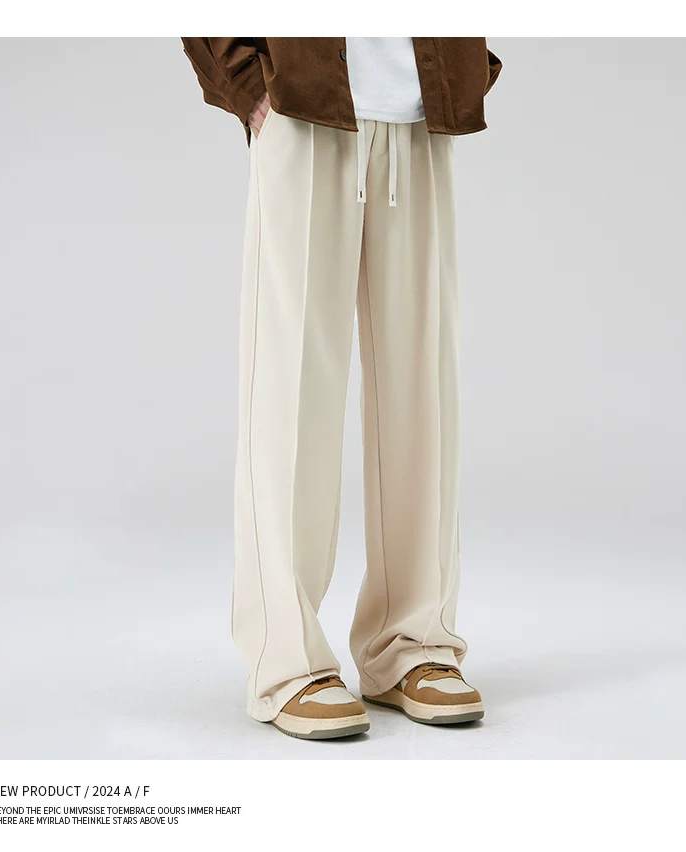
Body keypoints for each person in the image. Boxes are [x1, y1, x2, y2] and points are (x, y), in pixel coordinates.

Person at [181, 37, 502, 739]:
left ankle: (413, 643)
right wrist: (244, 81)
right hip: (303, 97)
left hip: (419, 108)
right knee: (292, 388)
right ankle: (286, 658)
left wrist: (469, 67)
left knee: (423, 388)